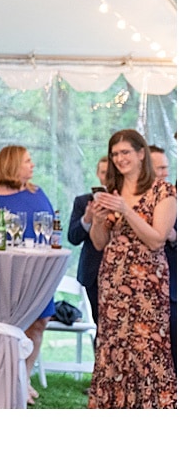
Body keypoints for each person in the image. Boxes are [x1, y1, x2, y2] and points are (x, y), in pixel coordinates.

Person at [87, 129, 176, 408]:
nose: (119, 158)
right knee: (113, 348)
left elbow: (156, 238)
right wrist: (99, 220)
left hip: (148, 283)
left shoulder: (164, 191)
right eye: (115, 154)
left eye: (125, 152)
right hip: (113, 282)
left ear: (141, 154)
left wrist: (126, 210)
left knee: (148, 348)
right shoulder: (112, 192)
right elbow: (99, 243)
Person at [0, 145, 53, 404]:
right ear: (12, 165)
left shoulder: (37, 192)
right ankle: (2, 378)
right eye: (27, 161)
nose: (33, 165)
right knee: (7, 326)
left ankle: (24, 377)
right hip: (5, 273)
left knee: (39, 321)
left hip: (36, 270)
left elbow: (49, 226)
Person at [67, 156, 109, 324]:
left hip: (123, 273)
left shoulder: (126, 201)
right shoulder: (84, 201)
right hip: (93, 272)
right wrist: (87, 218)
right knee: (100, 325)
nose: (107, 177)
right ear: (98, 174)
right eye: (104, 172)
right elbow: (73, 237)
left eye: (111, 173)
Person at [150, 144, 176, 372]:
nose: (165, 173)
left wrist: (175, 237)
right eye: (160, 168)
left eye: (166, 168)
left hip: (174, 286)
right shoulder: (129, 198)